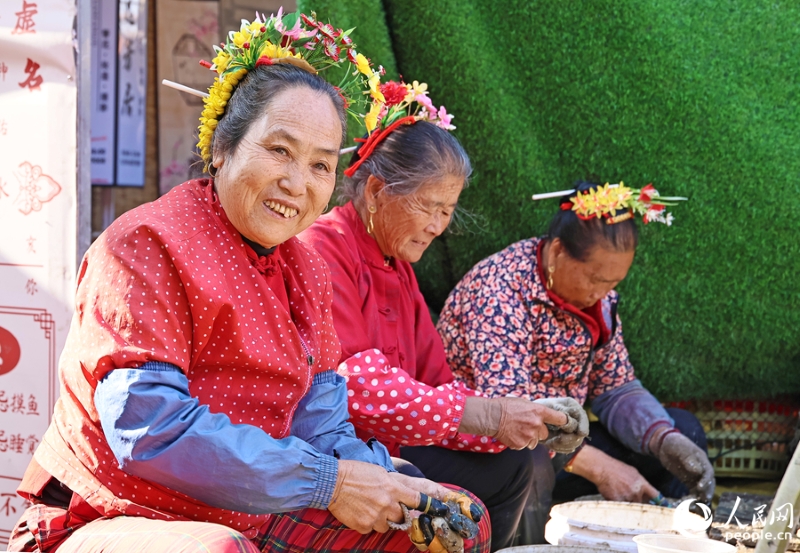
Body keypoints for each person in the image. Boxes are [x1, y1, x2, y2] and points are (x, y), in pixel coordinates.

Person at [8, 13, 489, 553]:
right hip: (112, 512)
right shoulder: (146, 244)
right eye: (279, 150)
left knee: (447, 522)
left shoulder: (304, 269)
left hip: (253, 511)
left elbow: (323, 427)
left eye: (321, 165)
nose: (296, 182)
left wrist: (390, 481)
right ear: (221, 148)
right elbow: (151, 433)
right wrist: (329, 482)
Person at [299, 83, 589, 552]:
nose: (437, 225)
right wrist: (490, 415)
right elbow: (351, 386)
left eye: (447, 210)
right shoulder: (324, 247)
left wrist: (526, 419)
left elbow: (438, 387)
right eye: (427, 207)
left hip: (391, 444)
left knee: (514, 465)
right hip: (335, 457)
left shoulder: (399, 268)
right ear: (375, 192)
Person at [437, 181, 716, 543]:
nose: (601, 293)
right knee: (530, 461)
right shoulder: (500, 289)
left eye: (613, 283)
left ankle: (669, 540)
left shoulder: (600, 302)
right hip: (488, 448)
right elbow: (511, 416)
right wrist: (601, 467)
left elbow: (615, 388)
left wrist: (664, 438)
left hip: (564, 444)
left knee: (683, 431)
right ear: (556, 252)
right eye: (595, 279)